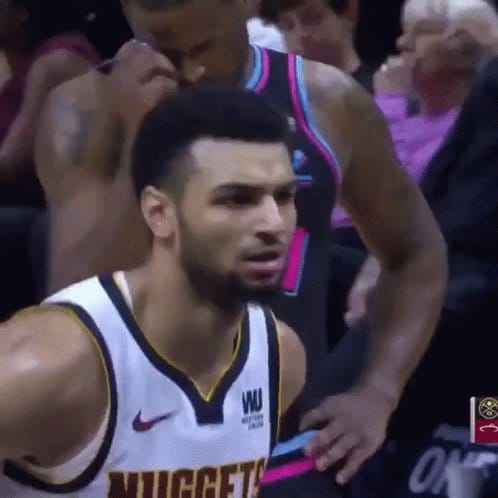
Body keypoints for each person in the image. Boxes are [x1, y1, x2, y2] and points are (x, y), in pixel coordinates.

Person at [37, 0, 447, 489]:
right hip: (136, 464)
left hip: (286, 457)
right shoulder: (87, 107)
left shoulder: (327, 101)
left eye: (196, 43)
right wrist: (139, 137)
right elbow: (72, 309)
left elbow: (416, 254)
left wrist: (377, 393)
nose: (177, 56)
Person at [0, 85, 306, 497]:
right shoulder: (49, 367)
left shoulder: (281, 358)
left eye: (284, 197)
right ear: (159, 214)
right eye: (237, 200)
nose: (274, 224)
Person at [0, 0, 100, 205]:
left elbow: (11, 164)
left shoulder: (56, 64)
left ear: (22, 12)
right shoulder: (13, 72)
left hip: (60, 212)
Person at [274, 0, 376, 92]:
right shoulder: (281, 96)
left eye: (313, 18)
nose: (300, 35)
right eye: (286, 25)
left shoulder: (377, 92)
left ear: (350, 13)